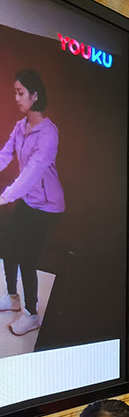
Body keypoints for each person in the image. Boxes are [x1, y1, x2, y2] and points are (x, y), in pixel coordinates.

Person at [1, 69, 63, 336]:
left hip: (48, 206)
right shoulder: (20, 127)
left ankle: (31, 314)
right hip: (28, 200)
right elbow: (4, 155)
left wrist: (4, 197)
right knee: (7, 242)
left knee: (27, 255)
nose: (16, 98)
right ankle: (12, 297)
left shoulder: (48, 134)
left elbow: (30, 174)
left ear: (35, 95)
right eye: (15, 92)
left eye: (20, 92)